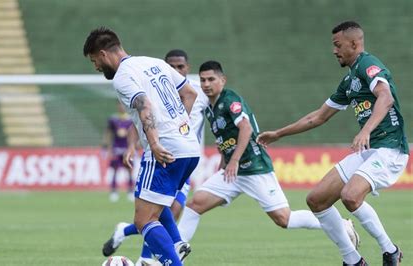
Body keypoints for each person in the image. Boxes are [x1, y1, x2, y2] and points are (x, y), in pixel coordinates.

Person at [256, 21, 408, 266]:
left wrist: (366, 131)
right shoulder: (349, 81)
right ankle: (353, 260)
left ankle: (390, 251)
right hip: (369, 150)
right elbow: (318, 117)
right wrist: (279, 134)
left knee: (350, 196)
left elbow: (386, 97)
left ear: (354, 43)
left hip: (390, 148)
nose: (334, 50)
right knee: (316, 199)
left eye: (337, 45)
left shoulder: (368, 65)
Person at [176, 60, 360, 257]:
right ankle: (175, 253)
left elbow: (246, 129)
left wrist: (235, 160)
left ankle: (340, 224)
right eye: (203, 80)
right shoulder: (210, 108)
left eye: (211, 79)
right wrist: (225, 162)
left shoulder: (230, 100)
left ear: (222, 80)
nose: (206, 84)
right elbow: (226, 139)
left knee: (284, 219)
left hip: (254, 168)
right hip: (232, 173)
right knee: (195, 205)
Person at [83, 27, 201, 266]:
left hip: (165, 149)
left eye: (95, 61)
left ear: (104, 54)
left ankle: (173, 260)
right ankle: (177, 244)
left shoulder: (123, 77)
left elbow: (144, 105)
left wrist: (156, 143)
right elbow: (189, 92)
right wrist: (179, 128)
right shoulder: (153, 62)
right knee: (155, 202)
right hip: (189, 146)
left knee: (143, 220)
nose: (96, 67)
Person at [103, 101, 134, 202]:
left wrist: (134, 146)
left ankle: (130, 190)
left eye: (122, 105)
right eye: (119, 105)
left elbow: (134, 134)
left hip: (127, 148)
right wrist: (106, 147)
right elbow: (108, 133)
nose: (121, 107)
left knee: (129, 169)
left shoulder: (130, 120)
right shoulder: (113, 119)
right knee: (115, 169)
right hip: (116, 148)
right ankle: (114, 191)